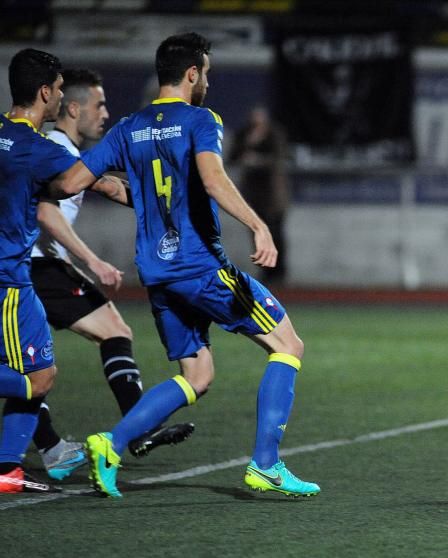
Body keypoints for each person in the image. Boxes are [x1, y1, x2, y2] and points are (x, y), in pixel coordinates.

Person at [57, 32, 318, 499]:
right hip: (201, 268)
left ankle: (110, 444)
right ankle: (266, 464)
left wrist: (137, 190)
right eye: (207, 74)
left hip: (157, 275)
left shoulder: (127, 128)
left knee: (196, 375)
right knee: (288, 344)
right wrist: (258, 225)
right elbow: (213, 178)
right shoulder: (200, 119)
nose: (208, 83)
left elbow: (74, 180)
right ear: (193, 73)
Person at [30, 68, 194, 482]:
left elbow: (106, 185)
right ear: (72, 107)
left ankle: (122, 431)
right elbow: (45, 210)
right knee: (33, 366)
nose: (105, 113)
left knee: (103, 335)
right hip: (33, 265)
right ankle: (67, 444)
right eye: (99, 105)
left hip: (41, 265)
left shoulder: (66, 151)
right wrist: (93, 261)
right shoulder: (52, 146)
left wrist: (166, 203)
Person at [0, 48, 126, 493]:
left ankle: (10, 468)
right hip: (9, 282)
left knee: (39, 375)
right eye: (56, 90)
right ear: (44, 93)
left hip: (15, 279)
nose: (57, 98)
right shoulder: (35, 147)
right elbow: (83, 182)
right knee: (36, 376)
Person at [229, 105, 290, 286]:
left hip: (272, 195)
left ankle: (279, 272)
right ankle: (265, 271)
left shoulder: (274, 135)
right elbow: (232, 157)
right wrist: (247, 149)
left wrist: (258, 160)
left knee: (276, 233)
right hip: (252, 195)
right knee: (257, 235)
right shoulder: (244, 135)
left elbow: (279, 158)